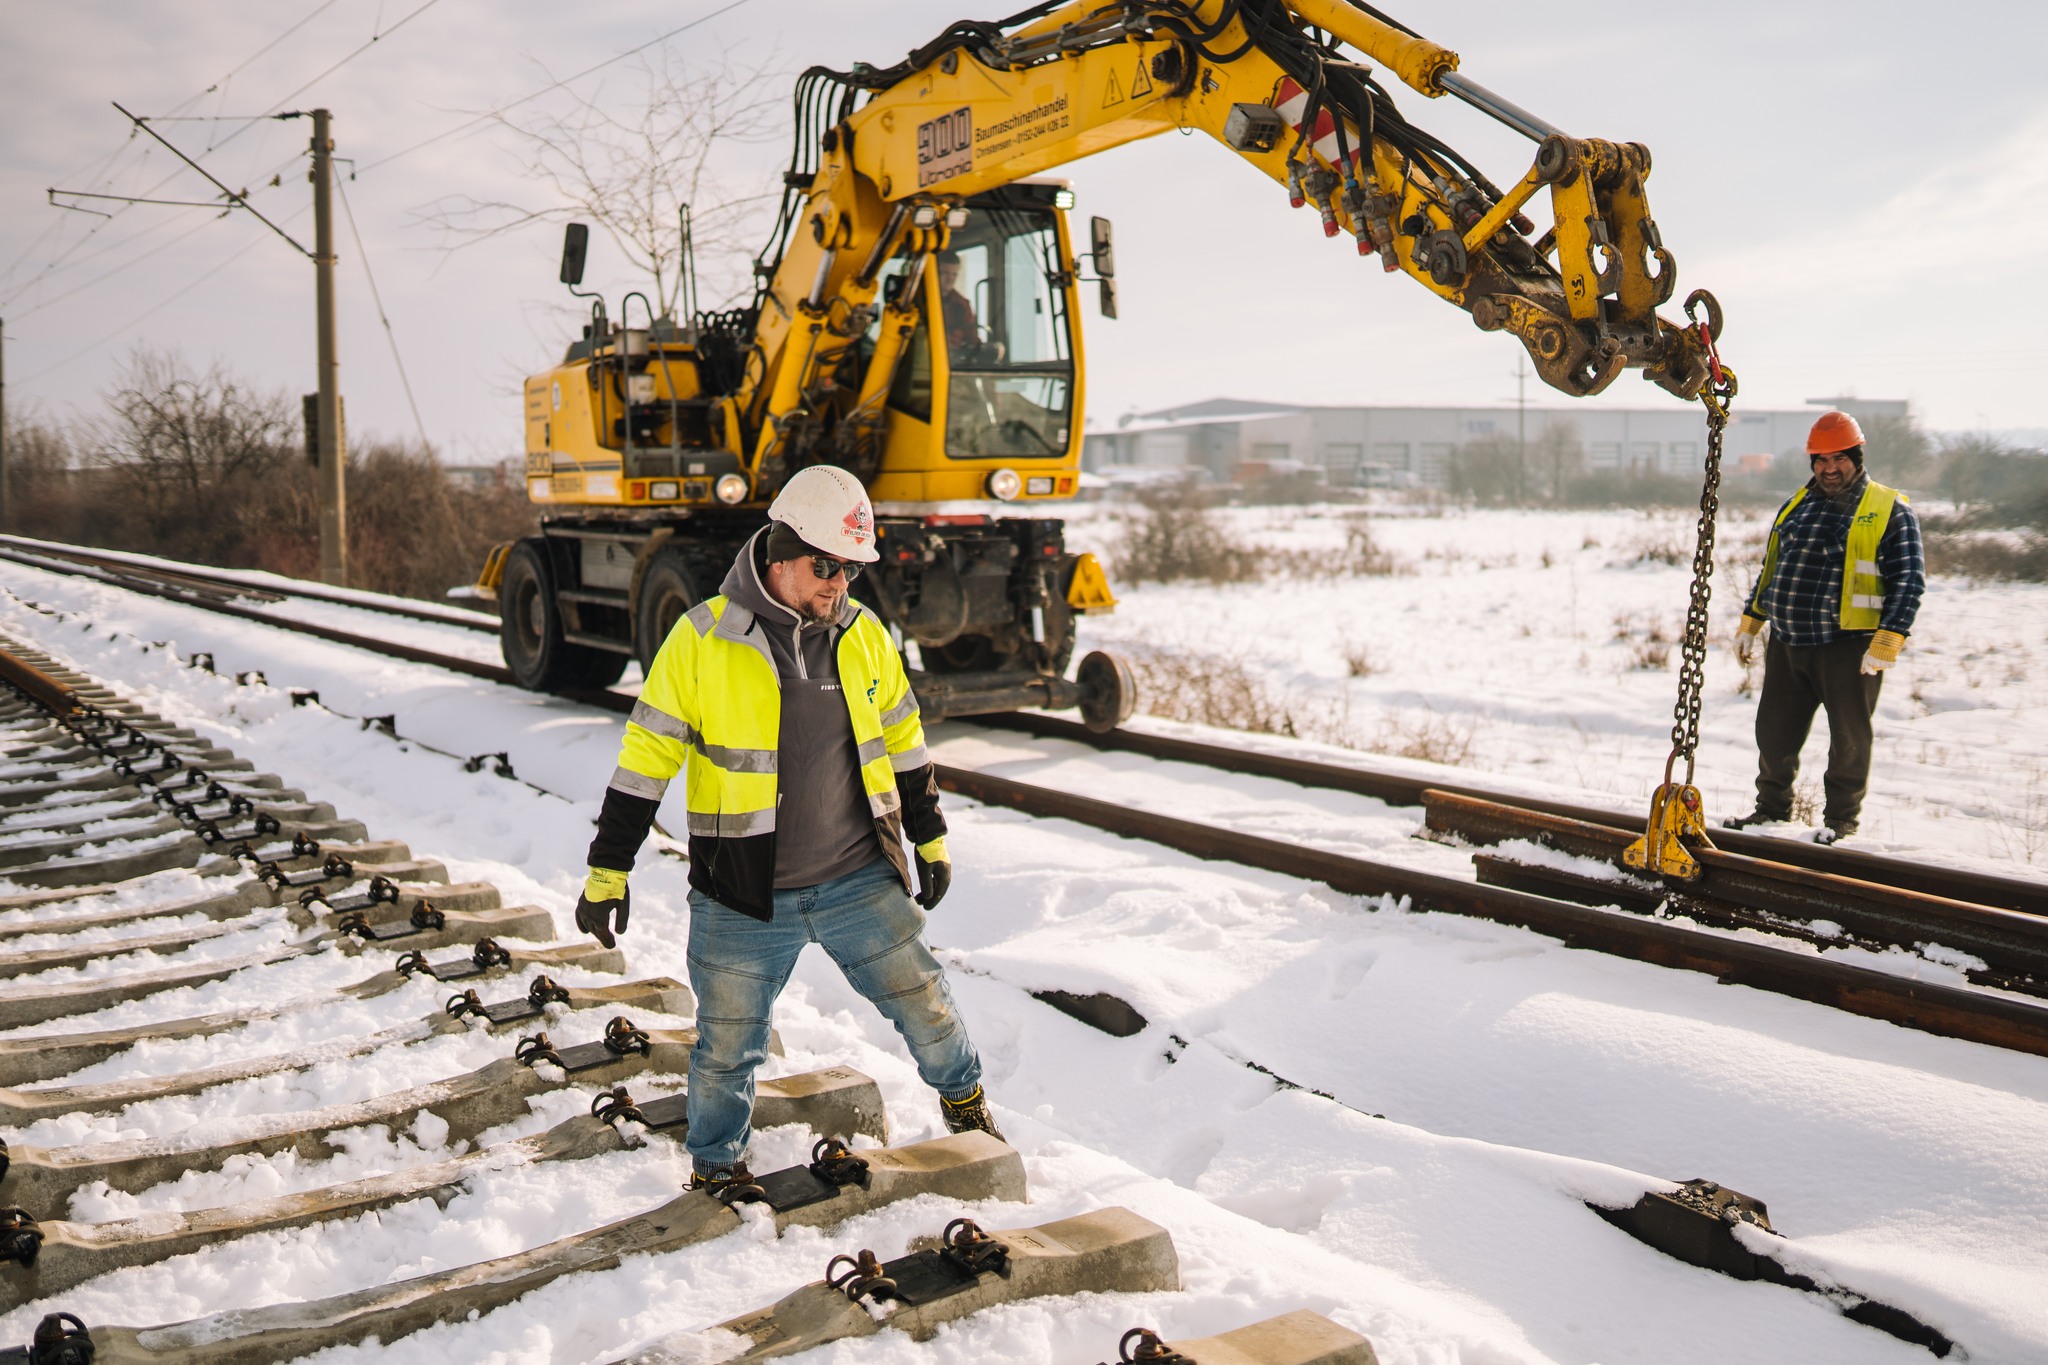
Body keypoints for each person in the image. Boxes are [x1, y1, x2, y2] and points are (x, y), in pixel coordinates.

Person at [573, 465, 1003, 1195]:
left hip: (856, 878)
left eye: (851, 569)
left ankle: (967, 1105)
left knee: (925, 1000)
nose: (839, 583)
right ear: (778, 550)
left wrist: (928, 836)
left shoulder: (865, 637)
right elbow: (646, 760)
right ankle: (714, 1171)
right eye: (825, 565)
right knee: (725, 1049)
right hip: (743, 895)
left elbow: (905, 741)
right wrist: (608, 869)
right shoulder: (701, 639)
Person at [1726, 410, 1925, 844]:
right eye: (1820, 460)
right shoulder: (1797, 504)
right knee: (1773, 734)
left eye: (1839, 459)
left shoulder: (1888, 508)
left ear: (1856, 457)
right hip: (1789, 642)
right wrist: (1751, 622)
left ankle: (1841, 822)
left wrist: (1887, 641)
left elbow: (1909, 580)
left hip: (1849, 648)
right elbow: (1774, 568)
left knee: (1849, 739)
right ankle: (1770, 812)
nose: (1829, 469)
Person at [935, 249, 982, 361]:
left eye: (954, 274)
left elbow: (972, 338)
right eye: (945, 273)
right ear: (934, 272)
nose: (950, 279)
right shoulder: (918, 301)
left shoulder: (962, 304)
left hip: (954, 361)